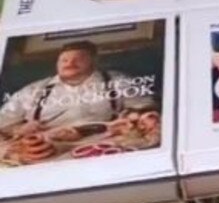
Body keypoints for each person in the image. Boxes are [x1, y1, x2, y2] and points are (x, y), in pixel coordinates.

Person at [0, 41, 158, 136]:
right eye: (64, 60)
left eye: (79, 59)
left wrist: (131, 117)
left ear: (94, 61)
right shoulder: (33, 90)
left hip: (107, 139)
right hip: (47, 146)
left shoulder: (117, 80)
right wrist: (19, 129)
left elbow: (145, 108)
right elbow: (3, 122)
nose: (70, 64)